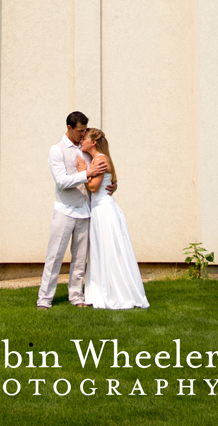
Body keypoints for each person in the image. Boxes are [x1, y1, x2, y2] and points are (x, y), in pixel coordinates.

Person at [36, 112, 111, 309]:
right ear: (69, 127)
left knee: (80, 260)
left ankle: (77, 296)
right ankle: (44, 300)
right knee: (55, 257)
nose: (83, 134)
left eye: (85, 130)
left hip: (85, 211)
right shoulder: (57, 150)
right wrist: (87, 173)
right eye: (79, 131)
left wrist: (113, 183)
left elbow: (101, 170)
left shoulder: (86, 149)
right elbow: (61, 181)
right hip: (64, 210)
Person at [77, 128, 149, 310]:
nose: (81, 140)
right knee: (102, 250)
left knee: (109, 250)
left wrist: (83, 172)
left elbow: (93, 187)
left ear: (93, 142)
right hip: (99, 209)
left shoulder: (100, 159)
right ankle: (101, 290)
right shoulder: (98, 159)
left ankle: (116, 292)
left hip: (104, 210)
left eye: (84, 138)